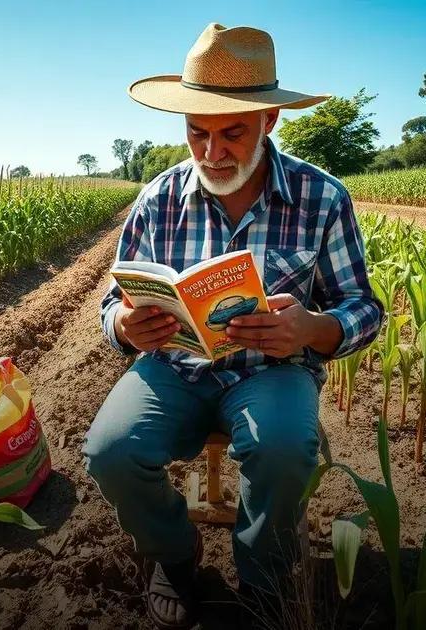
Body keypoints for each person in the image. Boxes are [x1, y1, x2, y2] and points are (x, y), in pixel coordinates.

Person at [82, 23, 383, 628]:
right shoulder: (157, 199)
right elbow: (112, 301)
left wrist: (312, 328)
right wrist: (125, 324)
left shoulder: (323, 199)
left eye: (232, 133)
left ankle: (262, 570)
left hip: (271, 372)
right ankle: (175, 552)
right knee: (109, 452)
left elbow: (363, 307)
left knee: (284, 449)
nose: (211, 152)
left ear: (270, 120)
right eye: (197, 133)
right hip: (174, 367)